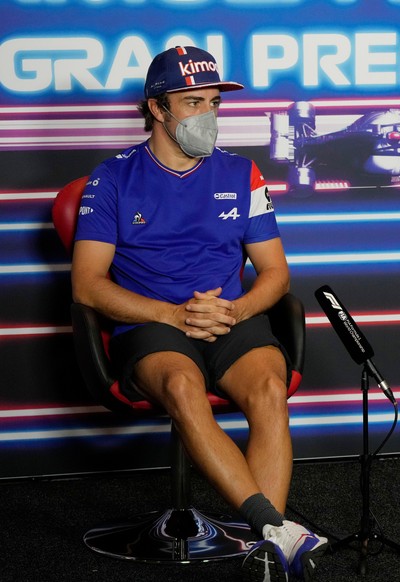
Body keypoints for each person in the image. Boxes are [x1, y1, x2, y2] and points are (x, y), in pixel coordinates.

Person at [71, 46, 327, 580]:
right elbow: (88, 286)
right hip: (152, 324)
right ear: (157, 109)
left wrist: (233, 312)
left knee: (269, 390)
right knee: (185, 388)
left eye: (213, 102)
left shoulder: (242, 172)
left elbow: (276, 276)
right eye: (193, 102)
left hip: (227, 319)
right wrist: (171, 315)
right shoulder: (112, 178)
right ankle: (274, 529)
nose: (207, 114)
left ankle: (267, 551)